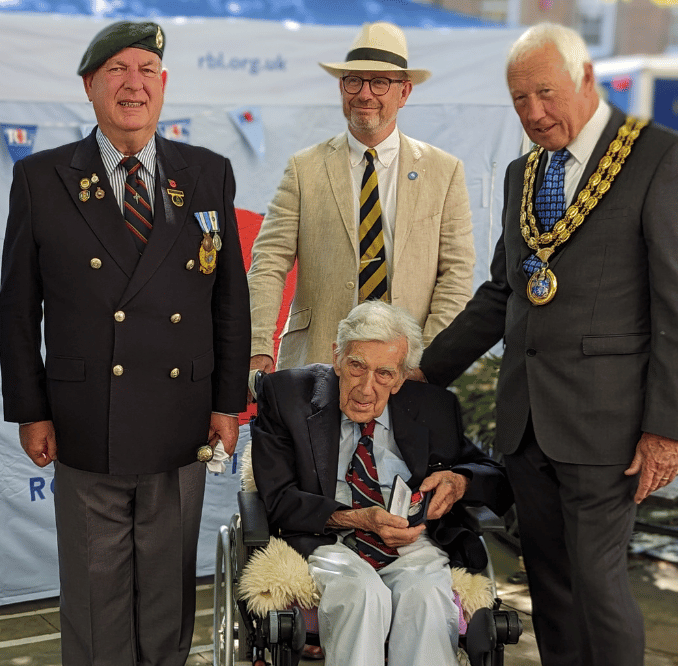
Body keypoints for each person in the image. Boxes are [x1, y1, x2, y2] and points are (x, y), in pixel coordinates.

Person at [417, 23, 678, 666]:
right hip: (527, 421)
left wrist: (665, 429)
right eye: (519, 100)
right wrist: (425, 368)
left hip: (606, 426)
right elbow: (503, 292)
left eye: (546, 93)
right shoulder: (521, 174)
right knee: (551, 588)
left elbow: (674, 304)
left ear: (586, 79)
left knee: (597, 584)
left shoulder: (656, 159)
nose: (534, 112)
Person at [0, 21, 250, 666]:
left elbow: (229, 298)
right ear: (89, 86)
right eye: (117, 70)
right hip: (85, 418)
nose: (133, 84)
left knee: (167, 594)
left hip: (182, 416)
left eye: (146, 70)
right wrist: (31, 409)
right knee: (94, 594)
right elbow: (19, 308)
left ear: (163, 86)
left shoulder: (207, 174)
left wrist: (227, 402)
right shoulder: (41, 177)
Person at [251, 301, 511, 665]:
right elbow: (277, 499)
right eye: (357, 366)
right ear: (337, 357)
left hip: (410, 540)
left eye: (384, 374)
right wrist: (357, 519)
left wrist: (460, 481)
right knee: (360, 593)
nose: (366, 388)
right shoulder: (286, 395)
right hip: (329, 537)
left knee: (426, 597)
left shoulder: (433, 407)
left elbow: (494, 476)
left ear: (402, 377)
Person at [247, 21, 474, 381]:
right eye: (355, 80)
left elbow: (457, 277)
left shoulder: (444, 172)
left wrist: (422, 361)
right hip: (316, 362)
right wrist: (258, 346)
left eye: (380, 82)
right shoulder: (303, 168)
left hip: (404, 372)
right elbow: (268, 263)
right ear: (341, 87)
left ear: (404, 92)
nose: (365, 93)